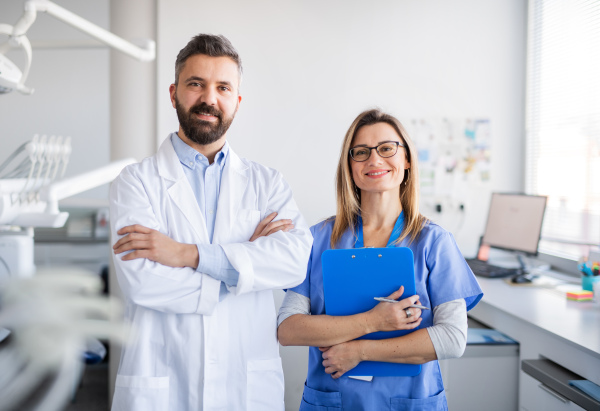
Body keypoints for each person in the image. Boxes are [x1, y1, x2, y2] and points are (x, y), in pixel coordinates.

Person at [109, 34, 312, 411]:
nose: (209, 98)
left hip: (244, 386)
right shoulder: (135, 182)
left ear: (236, 101)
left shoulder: (267, 184)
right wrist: (247, 266)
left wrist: (186, 254)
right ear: (174, 93)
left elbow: (293, 262)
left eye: (222, 87)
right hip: (163, 383)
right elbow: (144, 282)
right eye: (195, 84)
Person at [277, 109, 483, 410]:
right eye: (361, 152)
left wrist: (360, 351)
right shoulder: (317, 239)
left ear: (407, 159)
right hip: (332, 400)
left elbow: (452, 338)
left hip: (409, 401)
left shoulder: (434, 242)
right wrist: (374, 321)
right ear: (349, 166)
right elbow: (288, 329)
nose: (374, 160)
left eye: (387, 148)